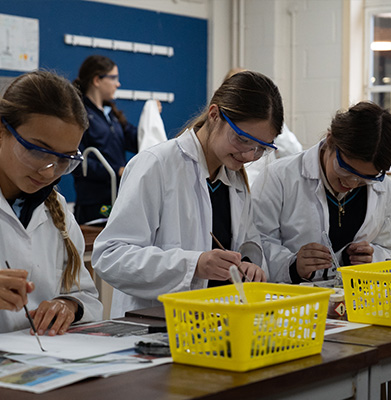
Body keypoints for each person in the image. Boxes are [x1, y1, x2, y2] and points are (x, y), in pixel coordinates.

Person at [92, 71, 283, 317]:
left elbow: (247, 244)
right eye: (242, 139)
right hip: (155, 324)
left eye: (260, 148)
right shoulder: (156, 165)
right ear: (214, 115)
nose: (249, 155)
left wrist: (249, 265)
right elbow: (110, 257)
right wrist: (193, 265)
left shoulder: (235, 179)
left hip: (220, 322)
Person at [0, 70, 103, 334]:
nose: (48, 173)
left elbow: (86, 295)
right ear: (2, 130)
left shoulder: (56, 210)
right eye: (37, 151)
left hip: (39, 354)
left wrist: (68, 305)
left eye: (64, 159)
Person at [252, 101, 391, 283]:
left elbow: (390, 249)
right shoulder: (279, 177)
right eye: (346, 170)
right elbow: (257, 245)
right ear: (330, 140)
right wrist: (293, 265)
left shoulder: (383, 188)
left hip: (356, 295)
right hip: (293, 295)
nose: (352, 183)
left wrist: (371, 257)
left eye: (365, 179)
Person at [72, 55, 139, 225]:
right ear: (97, 80)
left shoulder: (112, 115)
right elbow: (76, 161)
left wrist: (151, 116)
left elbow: (138, 140)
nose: (118, 84)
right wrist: (116, 170)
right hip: (94, 203)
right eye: (114, 78)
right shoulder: (79, 114)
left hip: (118, 196)